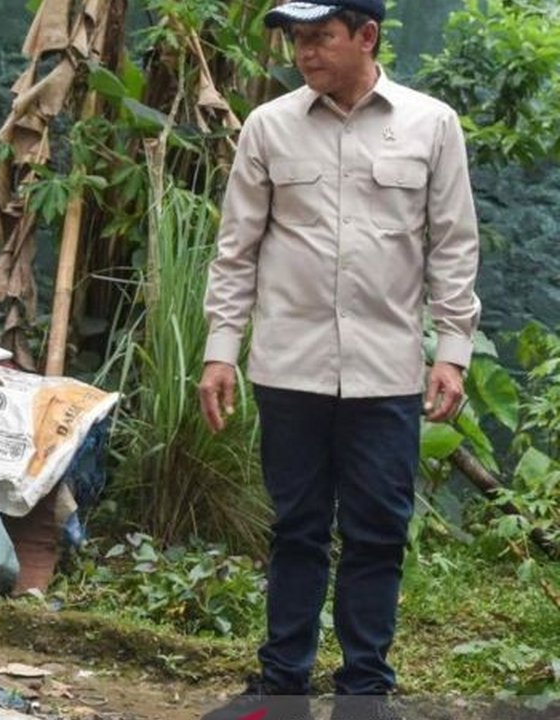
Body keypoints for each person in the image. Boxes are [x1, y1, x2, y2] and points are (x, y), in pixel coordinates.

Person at [196, 1, 481, 719]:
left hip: (386, 373)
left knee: (377, 531)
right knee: (294, 527)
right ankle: (281, 686)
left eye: (321, 37)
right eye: (297, 40)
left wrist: (452, 351)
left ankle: (364, 693)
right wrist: (220, 353)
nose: (305, 53)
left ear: (366, 36)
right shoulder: (270, 126)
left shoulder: (430, 124)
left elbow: (452, 244)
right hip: (289, 369)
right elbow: (237, 251)